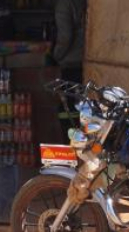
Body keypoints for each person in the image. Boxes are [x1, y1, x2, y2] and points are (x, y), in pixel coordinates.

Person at [53, 0, 87, 136]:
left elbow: (65, 37)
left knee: (67, 109)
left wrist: (55, 56)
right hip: (84, 61)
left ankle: (70, 142)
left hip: (71, 63)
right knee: (81, 108)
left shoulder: (64, 4)